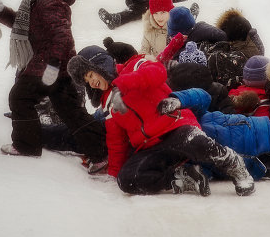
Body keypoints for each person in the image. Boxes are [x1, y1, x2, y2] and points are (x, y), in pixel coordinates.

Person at [69, 48, 256, 196]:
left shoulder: (134, 65)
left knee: (196, 141)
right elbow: (116, 142)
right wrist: (113, 175)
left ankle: (233, 164)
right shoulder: (108, 104)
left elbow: (158, 72)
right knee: (126, 180)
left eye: (91, 75)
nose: (91, 82)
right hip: (151, 146)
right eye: (87, 81)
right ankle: (181, 177)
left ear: (100, 65)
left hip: (174, 127)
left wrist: (122, 85)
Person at [0, 0, 107, 170]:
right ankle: (101, 152)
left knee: (19, 97)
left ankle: (27, 146)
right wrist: (2, 12)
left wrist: (53, 65)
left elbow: (61, 35)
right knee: (70, 111)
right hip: (57, 65)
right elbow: (27, 26)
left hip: (48, 64)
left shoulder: (47, 1)